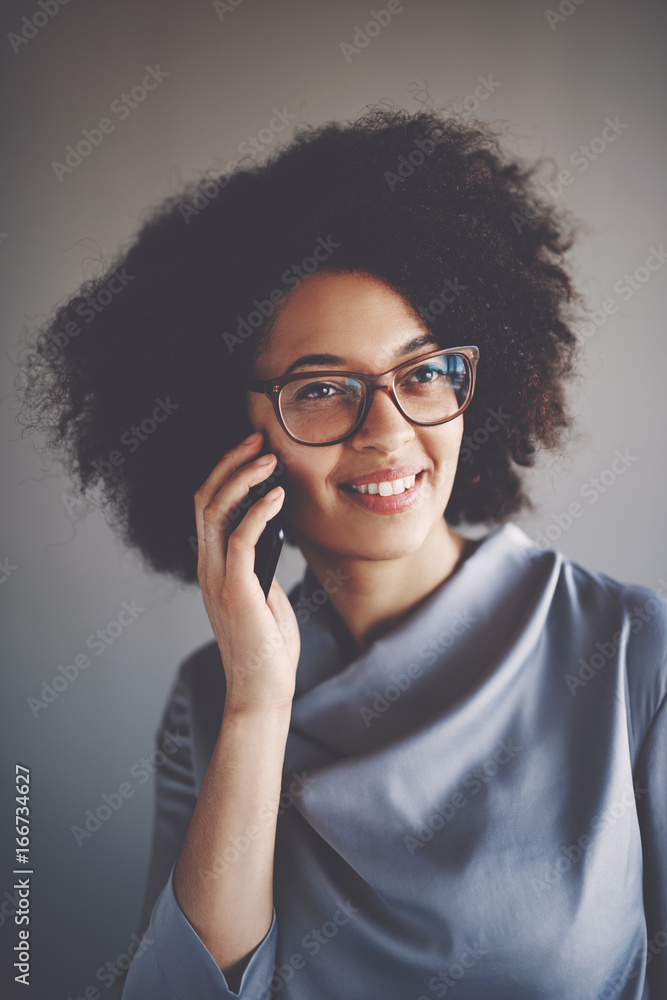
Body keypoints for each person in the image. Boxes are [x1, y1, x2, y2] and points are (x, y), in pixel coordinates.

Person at [20, 106, 666, 998]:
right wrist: (257, 705)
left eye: (423, 371)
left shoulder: (633, 649)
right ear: (224, 428)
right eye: (322, 388)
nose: (388, 430)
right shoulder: (210, 700)